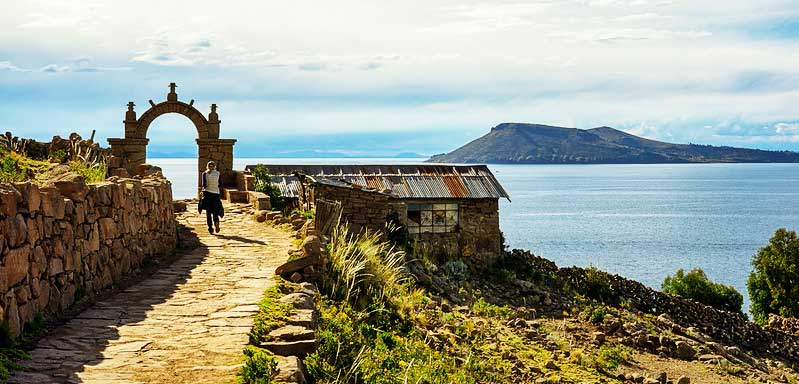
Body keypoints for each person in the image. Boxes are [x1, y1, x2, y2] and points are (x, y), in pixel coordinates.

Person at [199, 161, 224, 234]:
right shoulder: (218, 174)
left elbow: (204, 185)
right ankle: (216, 222)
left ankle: (210, 228)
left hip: (207, 194)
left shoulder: (204, 174)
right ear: (214, 166)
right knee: (215, 211)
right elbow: (220, 184)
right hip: (216, 194)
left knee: (208, 212)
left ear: (207, 166)